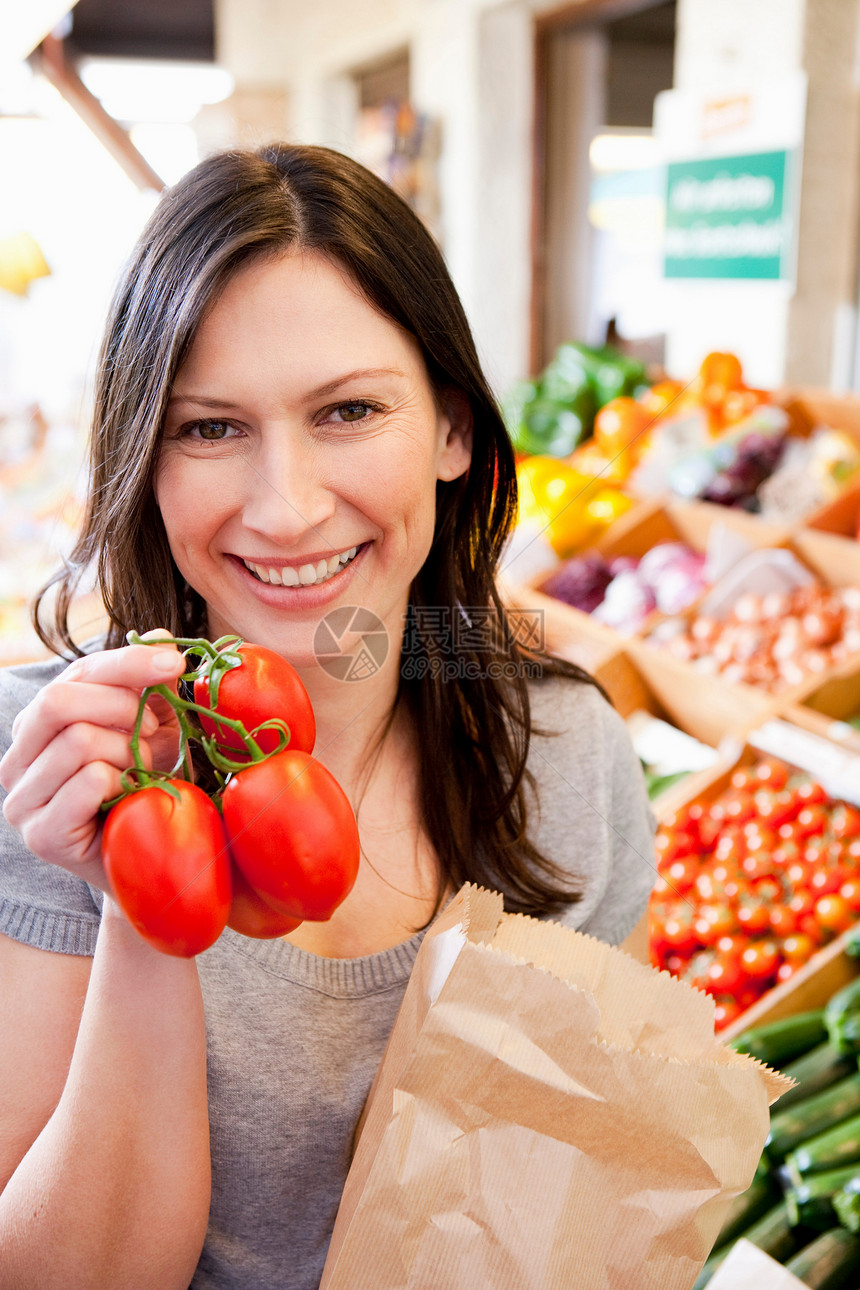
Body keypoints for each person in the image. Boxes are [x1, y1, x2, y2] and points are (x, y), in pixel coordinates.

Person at [0, 143, 656, 1289]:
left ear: (452, 431)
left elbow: (582, 1222)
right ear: (142, 461)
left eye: (348, 410)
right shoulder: (52, 767)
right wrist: (138, 905)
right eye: (209, 428)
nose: (287, 506)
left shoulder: (562, 759)